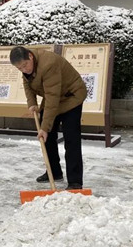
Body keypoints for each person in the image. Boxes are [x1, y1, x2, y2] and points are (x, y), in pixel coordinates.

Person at [10, 46, 87, 190]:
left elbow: (52, 99)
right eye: (20, 68)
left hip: (71, 96)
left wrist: (45, 127)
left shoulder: (48, 64)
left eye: (25, 65)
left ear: (30, 57)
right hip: (53, 96)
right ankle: (54, 171)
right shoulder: (26, 66)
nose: (24, 69)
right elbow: (27, 84)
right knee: (46, 137)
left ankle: (75, 181)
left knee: (71, 137)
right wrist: (32, 103)